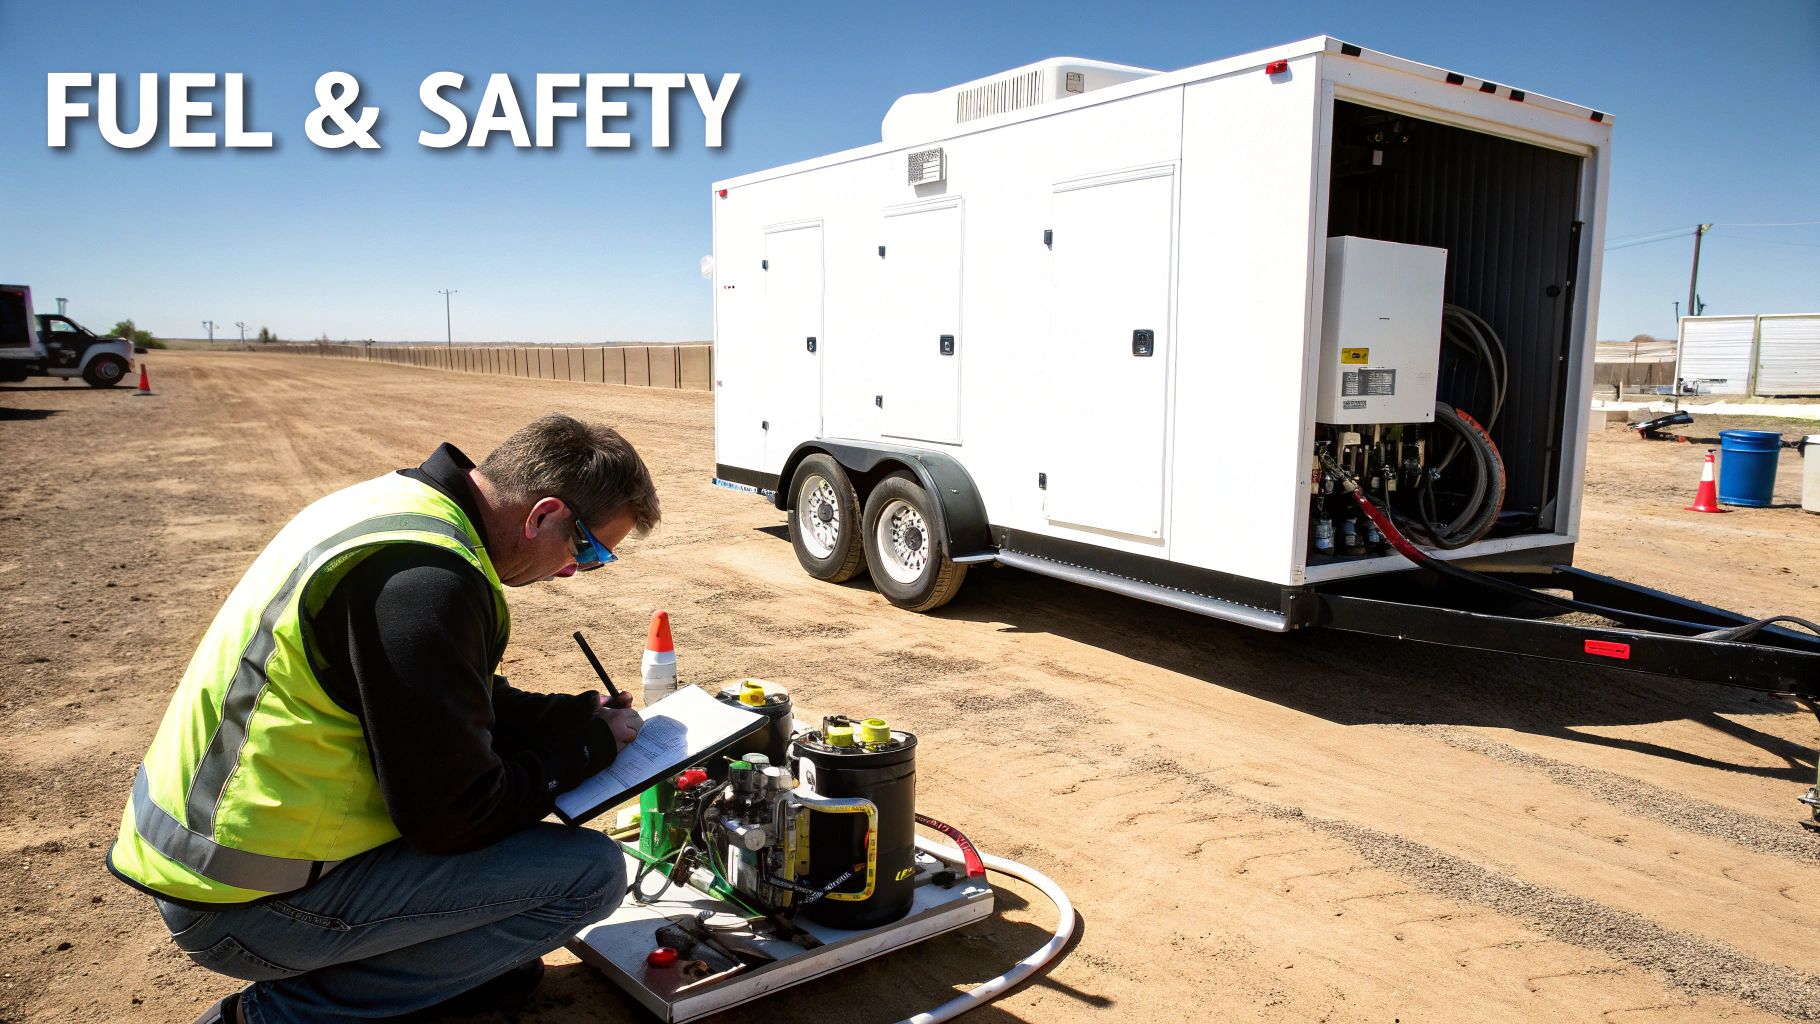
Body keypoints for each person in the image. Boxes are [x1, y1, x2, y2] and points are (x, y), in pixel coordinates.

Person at [106, 413, 662, 1024]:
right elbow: (453, 817)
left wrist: (571, 716)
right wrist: (582, 750)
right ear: (543, 515)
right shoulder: (425, 584)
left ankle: (422, 976)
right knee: (587, 874)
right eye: (587, 548)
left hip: (210, 864)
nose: (572, 570)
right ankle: (280, 1014)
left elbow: (438, 695)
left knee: (502, 964)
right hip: (247, 906)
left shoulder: (397, 513)